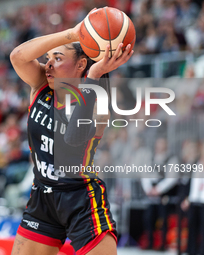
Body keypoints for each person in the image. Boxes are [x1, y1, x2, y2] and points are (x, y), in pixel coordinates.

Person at [9, 8, 134, 255]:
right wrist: (73, 33)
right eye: (48, 58)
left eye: (58, 58)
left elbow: (73, 138)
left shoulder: (96, 101)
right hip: (42, 194)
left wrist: (96, 75)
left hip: (81, 198)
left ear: (81, 64)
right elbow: (17, 56)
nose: (48, 65)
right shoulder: (41, 87)